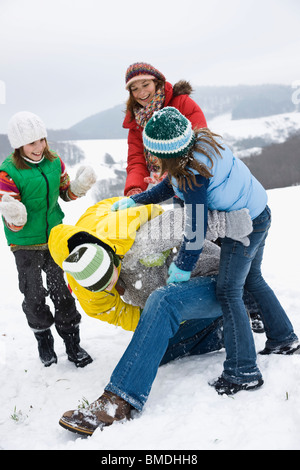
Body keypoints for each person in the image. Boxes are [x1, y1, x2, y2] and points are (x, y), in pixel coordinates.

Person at [111, 107, 300, 395]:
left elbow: (196, 228)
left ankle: (243, 371)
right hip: (259, 213)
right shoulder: (195, 147)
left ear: (169, 153)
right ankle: (284, 337)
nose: (152, 158)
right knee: (252, 279)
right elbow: (170, 186)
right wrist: (139, 200)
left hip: (243, 226)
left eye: (155, 153)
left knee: (228, 290)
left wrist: (184, 266)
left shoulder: (193, 174)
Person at [0, 111, 96, 367]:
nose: (39, 146)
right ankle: (44, 341)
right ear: (19, 144)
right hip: (24, 244)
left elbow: (64, 193)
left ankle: (73, 345)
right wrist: (14, 216)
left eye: (41, 139)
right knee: (33, 296)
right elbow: (10, 210)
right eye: (32, 143)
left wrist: (77, 187)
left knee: (62, 292)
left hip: (54, 237)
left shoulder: (55, 162)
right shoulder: (8, 172)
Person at [123, 62, 207, 197]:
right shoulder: (137, 122)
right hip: (175, 190)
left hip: (198, 183)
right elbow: (136, 160)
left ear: (156, 82)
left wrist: (173, 173)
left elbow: (201, 144)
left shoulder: (181, 103)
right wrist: (135, 189)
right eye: (135, 89)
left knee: (200, 217)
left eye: (145, 85)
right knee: (186, 217)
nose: (142, 92)